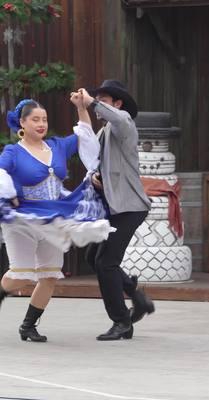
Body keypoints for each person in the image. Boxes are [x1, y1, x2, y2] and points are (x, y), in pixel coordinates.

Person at [0, 95, 112, 342]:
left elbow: (84, 136)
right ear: (22, 123)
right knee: (21, 275)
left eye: (44, 119)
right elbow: (1, 172)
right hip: (22, 219)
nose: (41, 124)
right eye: (35, 119)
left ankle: (28, 326)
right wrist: (8, 194)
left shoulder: (57, 146)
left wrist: (82, 108)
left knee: (50, 275)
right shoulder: (13, 152)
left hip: (55, 217)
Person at [79, 80, 155, 341]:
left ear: (117, 104)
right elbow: (96, 163)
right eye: (97, 99)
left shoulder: (124, 123)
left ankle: (122, 322)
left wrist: (90, 101)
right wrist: (94, 179)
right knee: (93, 258)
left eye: (104, 100)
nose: (99, 105)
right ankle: (137, 298)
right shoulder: (104, 131)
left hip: (130, 207)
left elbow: (118, 119)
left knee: (106, 262)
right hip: (114, 208)